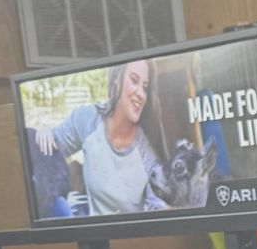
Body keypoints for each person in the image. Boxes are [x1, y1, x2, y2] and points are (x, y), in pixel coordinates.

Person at [34, 58, 168, 215]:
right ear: (117, 79)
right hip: (89, 233)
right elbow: (48, 148)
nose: (140, 94)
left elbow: (160, 209)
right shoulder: (88, 119)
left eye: (145, 88)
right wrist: (42, 131)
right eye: (134, 80)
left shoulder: (147, 156)